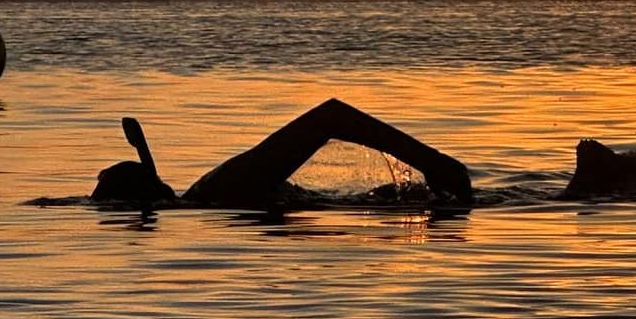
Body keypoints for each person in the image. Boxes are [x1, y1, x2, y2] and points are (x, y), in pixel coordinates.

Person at [92, 98, 473, 209]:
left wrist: (433, 163)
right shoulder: (219, 190)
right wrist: (432, 162)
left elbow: (331, 116)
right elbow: (331, 117)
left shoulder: (224, 188)